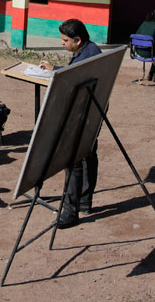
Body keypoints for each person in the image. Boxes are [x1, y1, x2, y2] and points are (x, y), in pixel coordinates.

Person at [41, 19, 102, 229]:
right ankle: (85, 201)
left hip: (83, 114)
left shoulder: (88, 56)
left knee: (74, 160)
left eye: (65, 40)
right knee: (87, 155)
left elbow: (74, 77)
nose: (62, 44)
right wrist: (55, 68)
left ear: (78, 40)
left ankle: (70, 211)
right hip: (92, 111)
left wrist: (55, 72)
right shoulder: (91, 49)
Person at [133, 9, 155, 84]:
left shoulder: (144, 23)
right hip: (150, 53)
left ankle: (151, 74)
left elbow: (137, 35)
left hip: (139, 51)